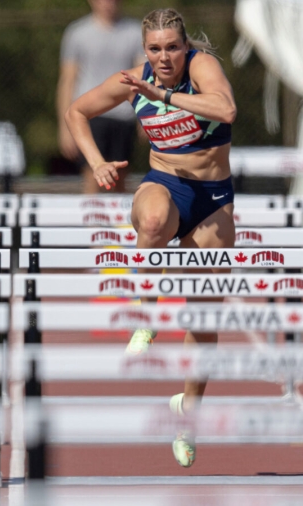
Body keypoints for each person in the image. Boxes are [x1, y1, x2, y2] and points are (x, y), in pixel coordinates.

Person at [66, 8, 236, 468]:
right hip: (164, 183)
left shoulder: (200, 68)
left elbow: (225, 108)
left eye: (173, 48)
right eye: (155, 49)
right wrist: (97, 161)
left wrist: (162, 95)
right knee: (155, 218)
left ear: (186, 47)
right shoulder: (132, 80)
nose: (165, 58)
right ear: (145, 50)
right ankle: (145, 312)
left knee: (203, 314)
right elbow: (76, 111)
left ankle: (188, 412)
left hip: (213, 197)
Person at [57, 0, 143, 193]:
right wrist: (65, 127)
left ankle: (121, 222)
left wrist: (145, 117)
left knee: (120, 175)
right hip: (91, 115)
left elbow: (142, 77)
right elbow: (67, 81)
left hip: (124, 114)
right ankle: (92, 222)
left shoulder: (135, 32)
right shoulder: (77, 33)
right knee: (92, 172)